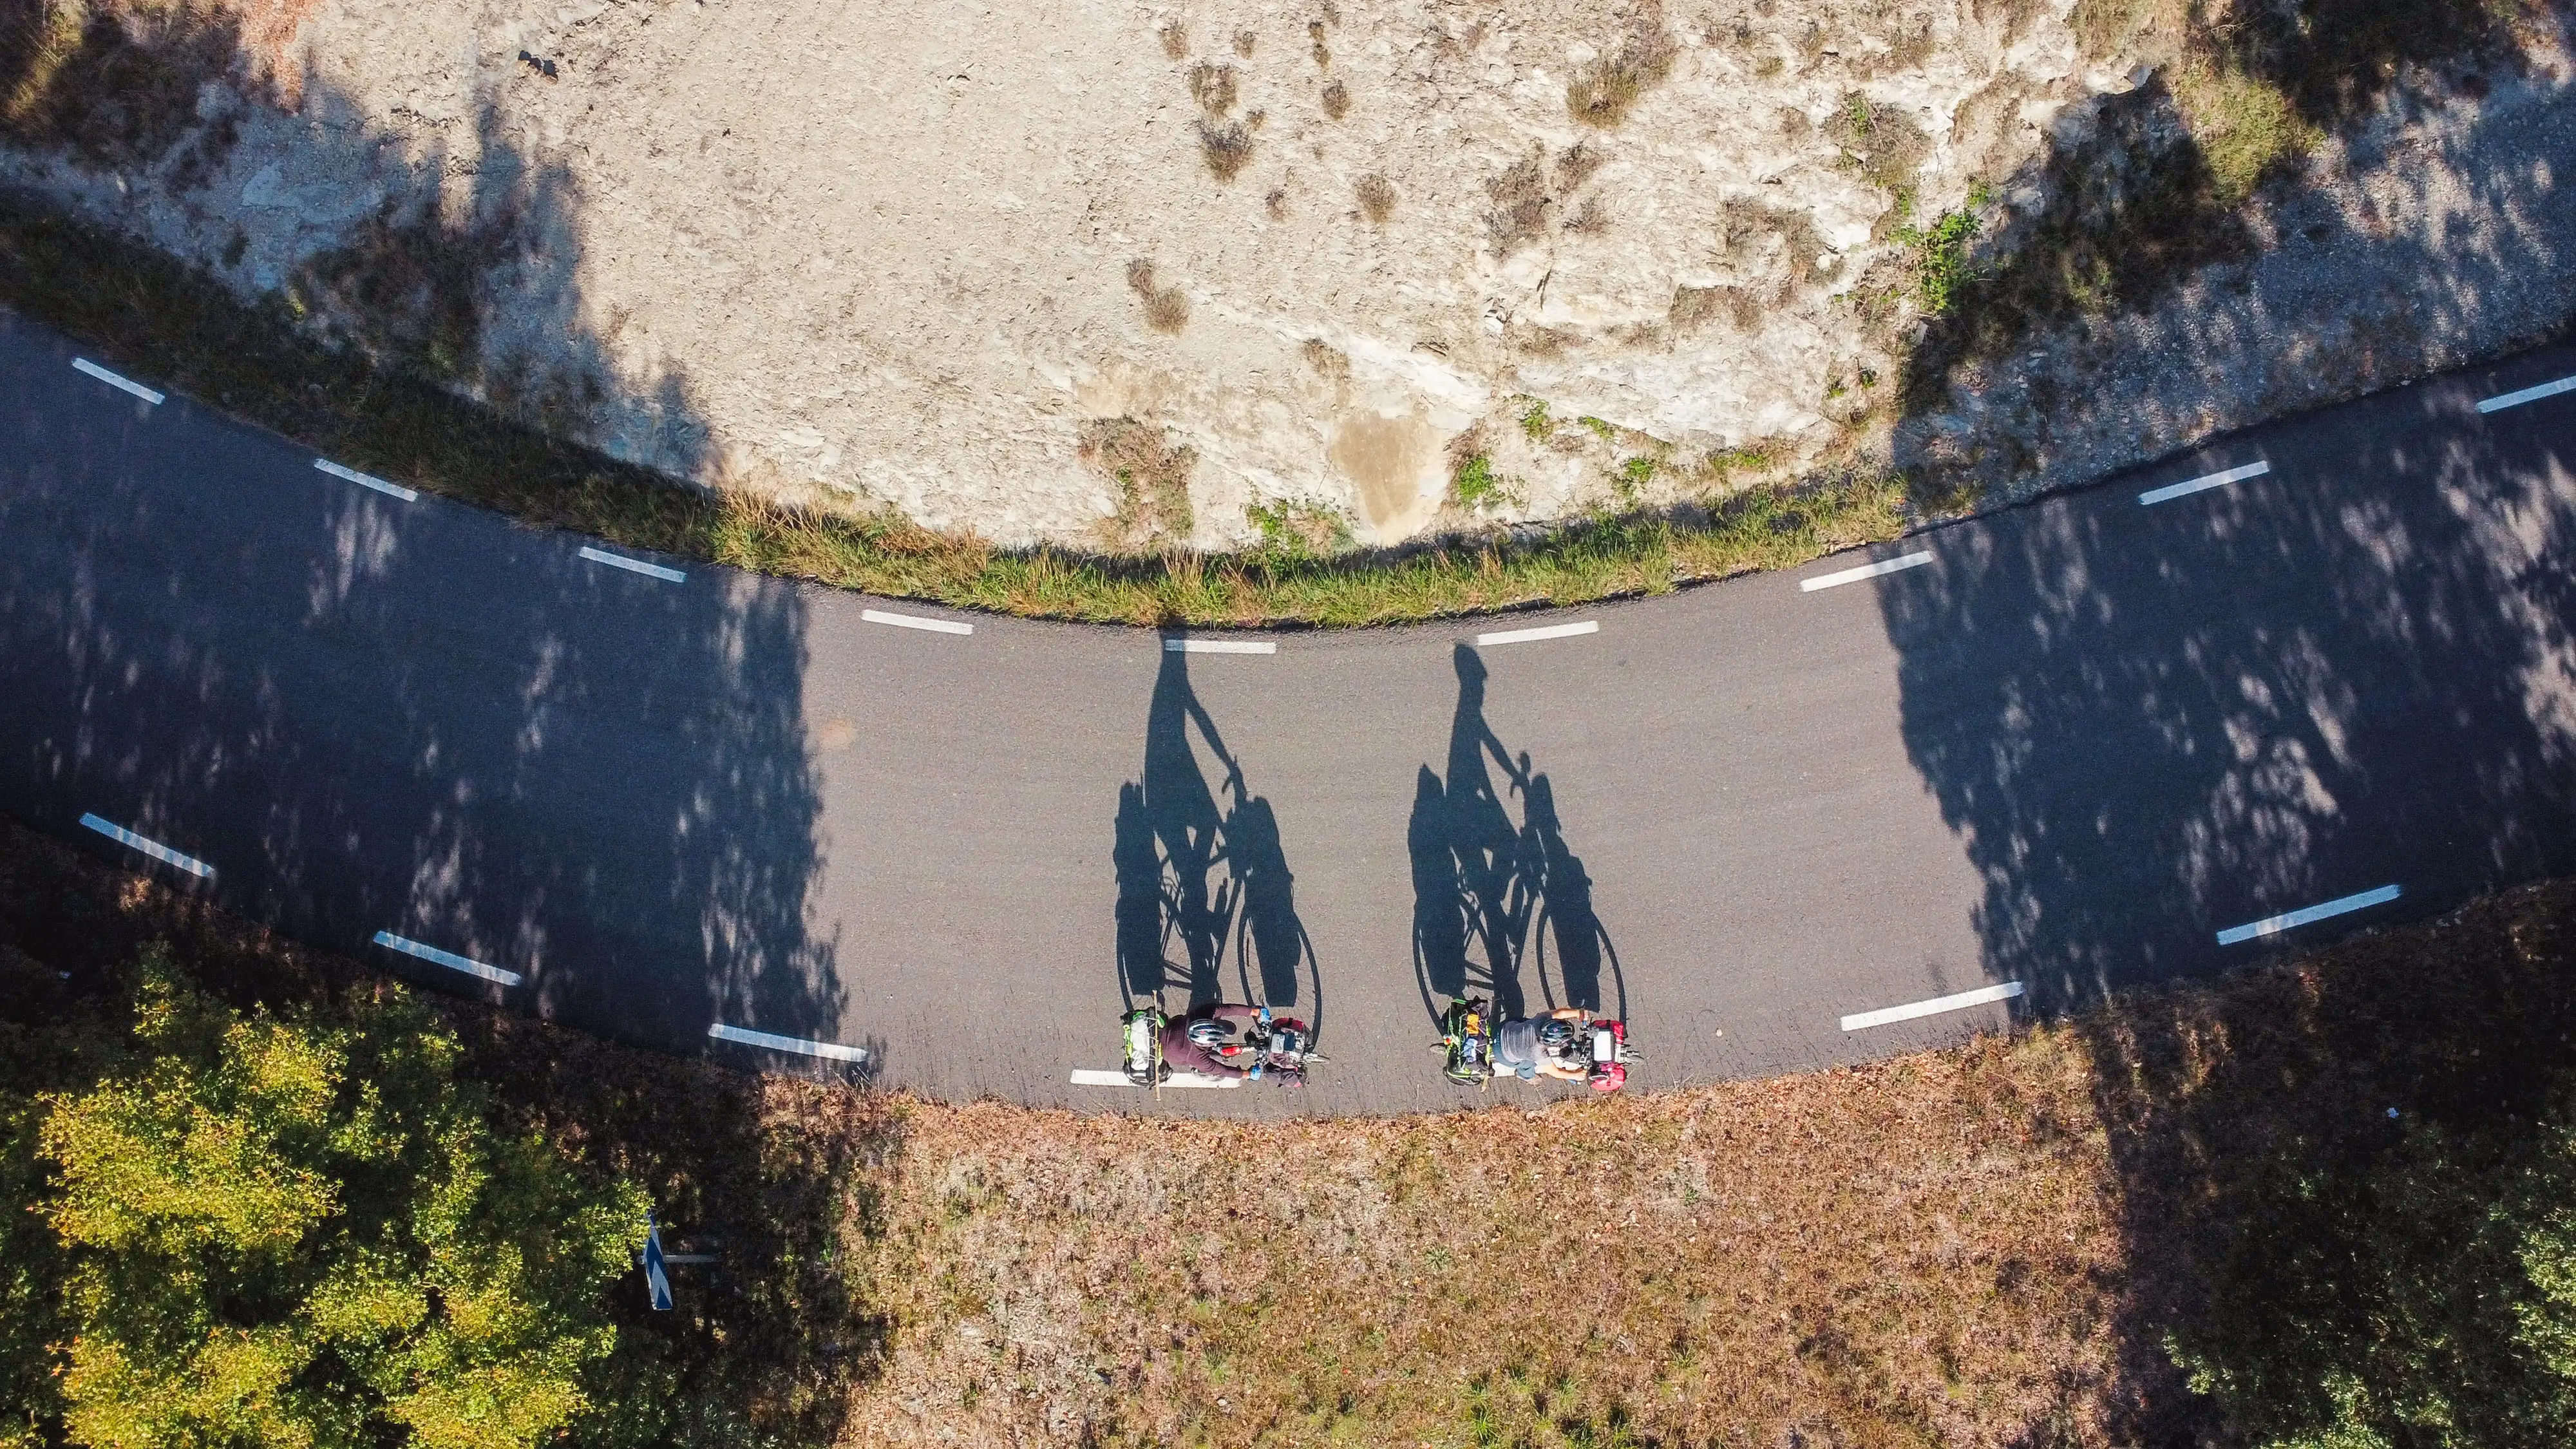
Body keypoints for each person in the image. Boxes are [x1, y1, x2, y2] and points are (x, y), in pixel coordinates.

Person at [1160, 1002, 1269, 1079]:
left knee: (1231, 1029)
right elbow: (1222, 1070)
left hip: (1173, 1030)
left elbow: (1227, 1009)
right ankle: (1200, 1073)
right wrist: (1247, 1075)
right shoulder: (1195, 1058)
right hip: (1170, 1053)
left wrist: (1249, 1074)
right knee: (1217, 1058)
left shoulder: (1201, 1014)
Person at [1491, 1006, 1595, 1082]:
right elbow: (1555, 1073)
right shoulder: (1538, 1054)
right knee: (1528, 1063)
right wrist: (1575, 1076)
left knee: (1526, 1022)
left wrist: (1578, 1013)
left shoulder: (1541, 1020)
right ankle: (1526, 1076)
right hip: (1502, 1054)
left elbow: (1560, 1013)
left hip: (1501, 1030)